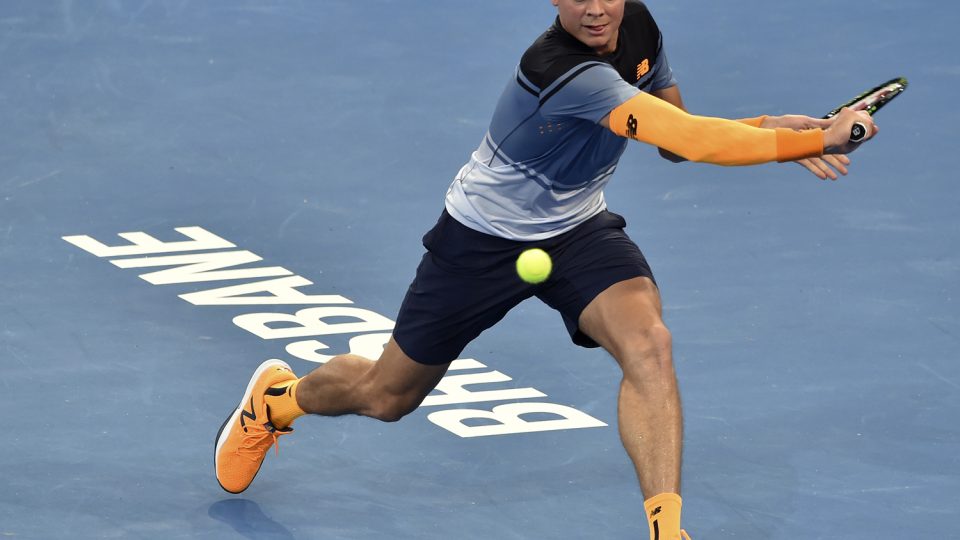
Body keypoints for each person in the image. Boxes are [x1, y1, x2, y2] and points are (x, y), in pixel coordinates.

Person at [214, 1, 875, 538]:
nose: (595, 10)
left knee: (650, 344)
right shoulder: (564, 71)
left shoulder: (639, 27)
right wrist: (819, 138)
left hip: (577, 229)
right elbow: (688, 142)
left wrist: (767, 128)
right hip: (481, 239)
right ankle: (278, 402)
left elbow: (679, 132)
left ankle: (667, 531)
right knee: (387, 397)